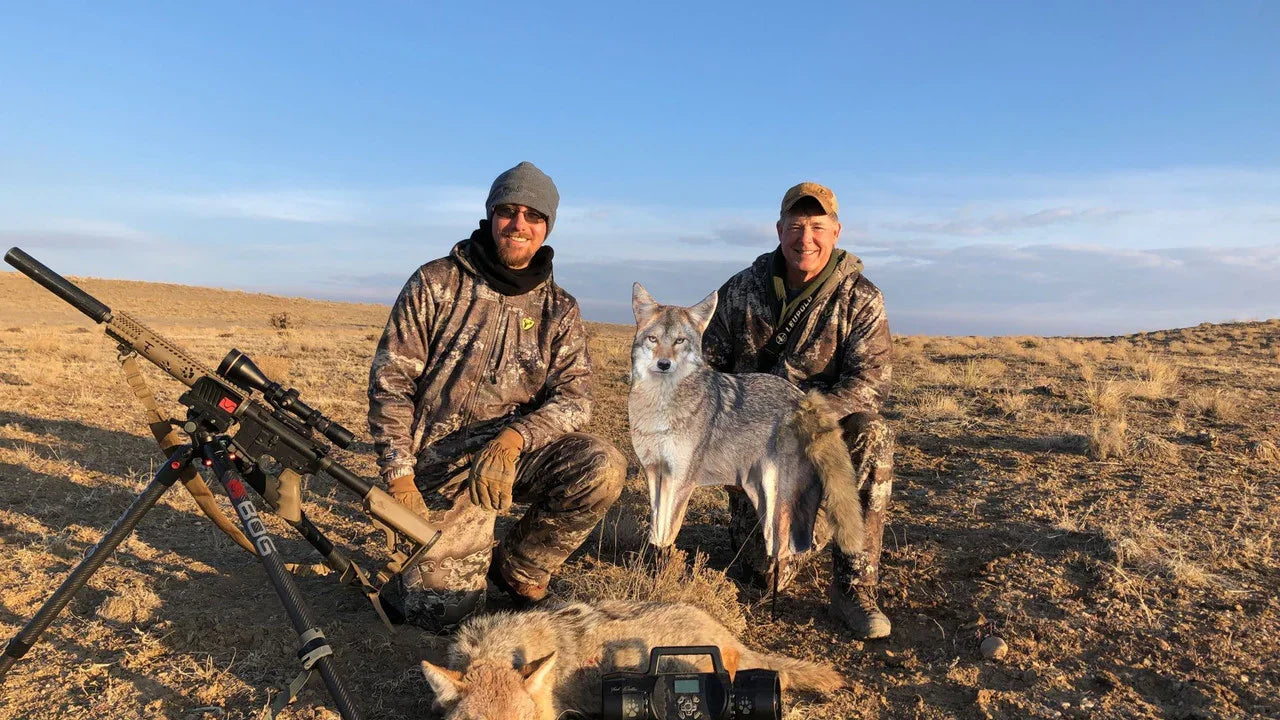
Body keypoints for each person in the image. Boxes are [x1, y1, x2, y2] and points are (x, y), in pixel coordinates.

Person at [368, 161, 626, 631]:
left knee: (601, 466)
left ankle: (519, 569)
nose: (519, 224)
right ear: (490, 216)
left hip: (508, 461)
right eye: (508, 211)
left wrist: (513, 440)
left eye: (533, 215)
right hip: (439, 469)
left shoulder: (559, 308)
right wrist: (400, 475)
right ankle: (438, 564)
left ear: (547, 227)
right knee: (440, 617)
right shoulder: (435, 282)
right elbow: (392, 383)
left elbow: (576, 397)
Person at [701, 181, 895, 640]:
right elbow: (705, 366)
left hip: (822, 432)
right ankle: (799, 531)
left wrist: (805, 419)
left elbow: (870, 384)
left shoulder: (860, 297)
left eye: (817, 226)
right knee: (764, 578)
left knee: (872, 432)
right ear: (779, 229)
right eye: (795, 225)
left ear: (836, 231)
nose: (804, 238)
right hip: (753, 443)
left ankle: (854, 584)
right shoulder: (740, 290)